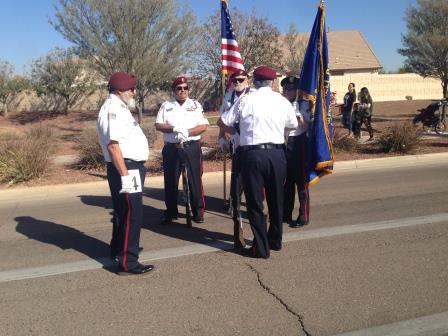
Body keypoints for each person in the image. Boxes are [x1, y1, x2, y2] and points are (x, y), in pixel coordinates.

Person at [219, 66, 298, 259]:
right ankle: (276, 240)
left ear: (254, 81)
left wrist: (238, 132)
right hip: (278, 154)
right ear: (272, 82)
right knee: (276, 199)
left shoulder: (245, 100)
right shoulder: (282, 101)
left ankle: (261, 248)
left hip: (252, 155)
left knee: (255, 203)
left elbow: (225, 121)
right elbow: (293, 125)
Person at [97, 71, 154, 275]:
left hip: (129, 167)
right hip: (126, 168)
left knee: (124, 212)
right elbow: (113, 146)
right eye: (131, 89)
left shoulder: (119, 107)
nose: (134, 92)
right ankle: (128, 262)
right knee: (133, 213)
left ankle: (119, 249)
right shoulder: (112, 109)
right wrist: (125, 175)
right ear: (121, 89)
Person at [155, 76, 209, 225]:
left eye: (185, 88)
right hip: (172, 148)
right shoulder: (166, 105)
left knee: (195, 180)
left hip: (191, 146)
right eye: (179, 88)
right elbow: (158, 125)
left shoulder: (195, 105)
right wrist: (174, 129)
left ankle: (198, 212)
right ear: (174, 90)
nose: (183, 91)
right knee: (171, 181)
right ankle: (171, 212)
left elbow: (204, 125)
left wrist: (188, 132)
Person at [218, 70, 255, 250]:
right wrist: (222, 137)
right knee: (237, 180)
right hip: (236, 146)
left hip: (252, 146)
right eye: (235, 80)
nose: (238, 82)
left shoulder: (254, 96)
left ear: (247, 81)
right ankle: (236, 207)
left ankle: (255, 207)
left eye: (241, 79)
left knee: (253, 182)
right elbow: (222, 120)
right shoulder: (228, 97)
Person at [281, 75, 312, 228]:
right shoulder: (279, 103)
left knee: (301, 182)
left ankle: (303, 216)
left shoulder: (304, 104)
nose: (287, 91)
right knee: (286, 183)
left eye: (291, 89)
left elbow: (306, 127)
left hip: (298, 143)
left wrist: (298, 115)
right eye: (285, 88)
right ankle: (286, 214)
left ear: (297, 90)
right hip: (283, 143)